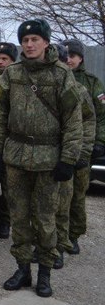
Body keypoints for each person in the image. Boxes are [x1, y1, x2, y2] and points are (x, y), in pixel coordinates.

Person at [0, 19, 82, 297]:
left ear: (46, 42)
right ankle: (22, 269)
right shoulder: (12, 73)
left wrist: (68, 159)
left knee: (45, 219)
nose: (29, 45)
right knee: (19, 217)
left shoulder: (61, 75)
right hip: (16, 156)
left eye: (35, 39)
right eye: (25, 40)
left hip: (48, 158)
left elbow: (73, 120)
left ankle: (44, 273)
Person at [60, 38, 105, 255]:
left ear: (81, 58)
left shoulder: (91, 82)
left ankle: (73, 235)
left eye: (73, 56)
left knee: (77, 195)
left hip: (82, 149)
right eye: (66, 55)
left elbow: (100, 116)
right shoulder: (57, 78)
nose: (69, 60)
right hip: (59, 149)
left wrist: (99, 142)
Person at [53, 43, 95, 270]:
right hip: (47, 156)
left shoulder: (79, 90)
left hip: (72, 155)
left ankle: (65, 241)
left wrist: (85, 150)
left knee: (70, 201)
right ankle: (47, 244)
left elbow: (88, 122)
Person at [0, 41, 18, 238]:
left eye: (5, 59)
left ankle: (5, 221)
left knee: (8, 187)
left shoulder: (17, 80)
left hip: (13, 141)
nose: (0, 63)